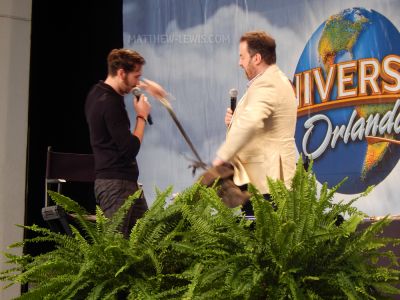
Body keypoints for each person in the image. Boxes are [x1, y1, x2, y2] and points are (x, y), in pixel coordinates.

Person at [212, 31, 297, 216]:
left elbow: (250, 124)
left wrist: (221, 158)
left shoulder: (268, 85)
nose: (239, 62)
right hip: (260, 179)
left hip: (269, 180)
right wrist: (233, 122)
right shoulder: (266, 83)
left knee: (266, 238)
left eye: (242, 57)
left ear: (257, 58)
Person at [85, 48, 166, 237]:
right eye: (137, 76)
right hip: (115, 185)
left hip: (125, 183)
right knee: (116, 248)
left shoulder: (97, 92)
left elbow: (130, 84)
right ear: (122, 73)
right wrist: (141, 116)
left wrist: (145, 86)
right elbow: (130, 149)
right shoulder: (110, 103)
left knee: (147, 241)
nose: (138, 82)